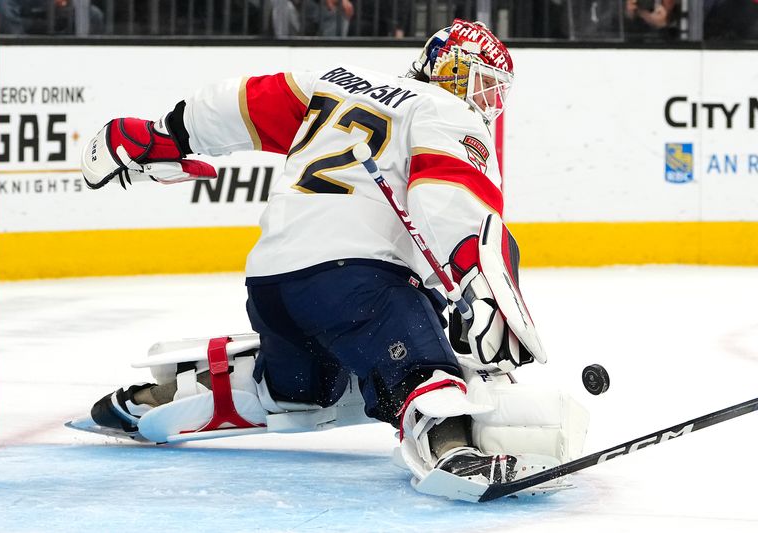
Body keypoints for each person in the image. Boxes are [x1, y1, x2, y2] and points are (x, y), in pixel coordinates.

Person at [71, 19, 589, 502]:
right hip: (356, 281)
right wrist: (479, 288)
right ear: (445, 68)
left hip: (272, 282)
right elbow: (451, 202)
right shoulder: (447, 112)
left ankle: (159, 398)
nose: (486, 99)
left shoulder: (337, 78)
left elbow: (239, 103)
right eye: (479, 82)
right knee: (424, 367)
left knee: (303, 391)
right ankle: (453, 454)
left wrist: (166, 134)